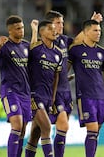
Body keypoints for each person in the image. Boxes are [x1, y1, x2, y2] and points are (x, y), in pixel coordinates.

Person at [25, 10, 73, 157]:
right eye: (53, 27)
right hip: (35, 95)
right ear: (42, 32)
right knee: (46, 128)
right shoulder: (36, 48)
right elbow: (32, 53)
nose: (56, 30)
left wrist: (52, 98)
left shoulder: (58, 52)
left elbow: (57, 77)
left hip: (48, 97)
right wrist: (33, 31)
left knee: (35, 134)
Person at [0, 15, 31, 157]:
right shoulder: (4, 46)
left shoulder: (26, 45)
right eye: (18, 28)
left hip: (25, 92)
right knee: (17, 126)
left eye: (22, 27)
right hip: (10, 91)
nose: (21, 30)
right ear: (10, 30)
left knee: (22, 130)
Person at [68, 19, 104, 157]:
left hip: (100, 96)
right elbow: (65, 69)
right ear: (86, 32)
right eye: (95, 30)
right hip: (85, 95)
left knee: (96, 131)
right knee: (92, 130)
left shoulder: (102, 52)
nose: (98, 33)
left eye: (99, 31)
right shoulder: (75, 50)